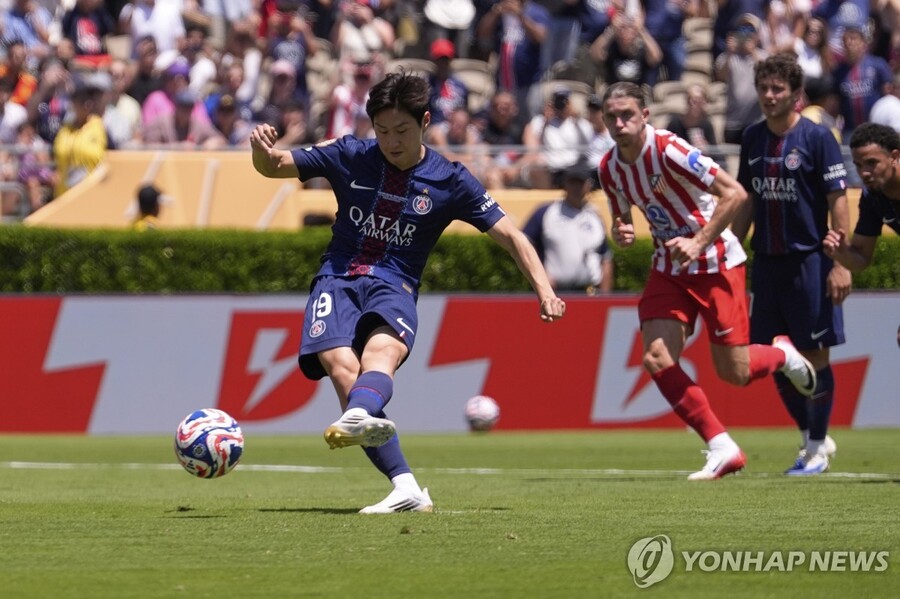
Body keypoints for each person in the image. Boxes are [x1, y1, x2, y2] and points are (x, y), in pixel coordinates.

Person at [249, 71, 566, 512]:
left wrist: (545, 290)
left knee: (380, 356)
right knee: (342, 367)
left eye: (402, 131)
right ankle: (406, 489)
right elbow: (275, 166)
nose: (391, 141)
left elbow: (512, 234)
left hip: (394, 285)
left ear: (425, 122)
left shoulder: (450, 179)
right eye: (382, 131)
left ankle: (361, 416)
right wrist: (259, 150)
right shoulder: (349, 154)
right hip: (337, 278)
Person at [597, 81, 818, 481]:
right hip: (669, 267)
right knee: (656, 357)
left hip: (716, 263)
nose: (619, 123)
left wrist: (699, 241)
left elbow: (734, 194)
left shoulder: (671, 149)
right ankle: (722, 446)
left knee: (734, 373)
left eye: (627, 114)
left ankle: (782, 354)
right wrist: (622, 231)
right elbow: (621, 218)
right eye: (611, 116)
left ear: (645, 115)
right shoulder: (608, 168)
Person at [731, 54, 850, 475]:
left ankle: (816, 449)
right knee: (771, 359)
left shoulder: (819, 138)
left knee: (815, 356)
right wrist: (731, 252)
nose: (768, 95)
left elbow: (839, 201)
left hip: (810, 263)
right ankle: (810, 436)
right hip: (767, 265)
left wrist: (841, 264)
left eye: (777, 89)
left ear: (796, 95)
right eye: (763, 87)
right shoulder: (751, 138)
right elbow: (746, 201)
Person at [522, 159, 614, 294]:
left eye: (580, 183)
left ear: (588, 185)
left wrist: (605, 295)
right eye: (572, 182)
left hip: (590, 292)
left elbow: (605, 258)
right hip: (554, 292)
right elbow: (524, 243)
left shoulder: (594, 216)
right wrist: (539, 274)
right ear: (564, 183)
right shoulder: (547, 212)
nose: (576, 188)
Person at [823, 123, 900, 271]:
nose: (864, 172)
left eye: (872, 163)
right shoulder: (872, 197)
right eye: (858, 165)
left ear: (894, 157)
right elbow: (861, 259)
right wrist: (841, 253)